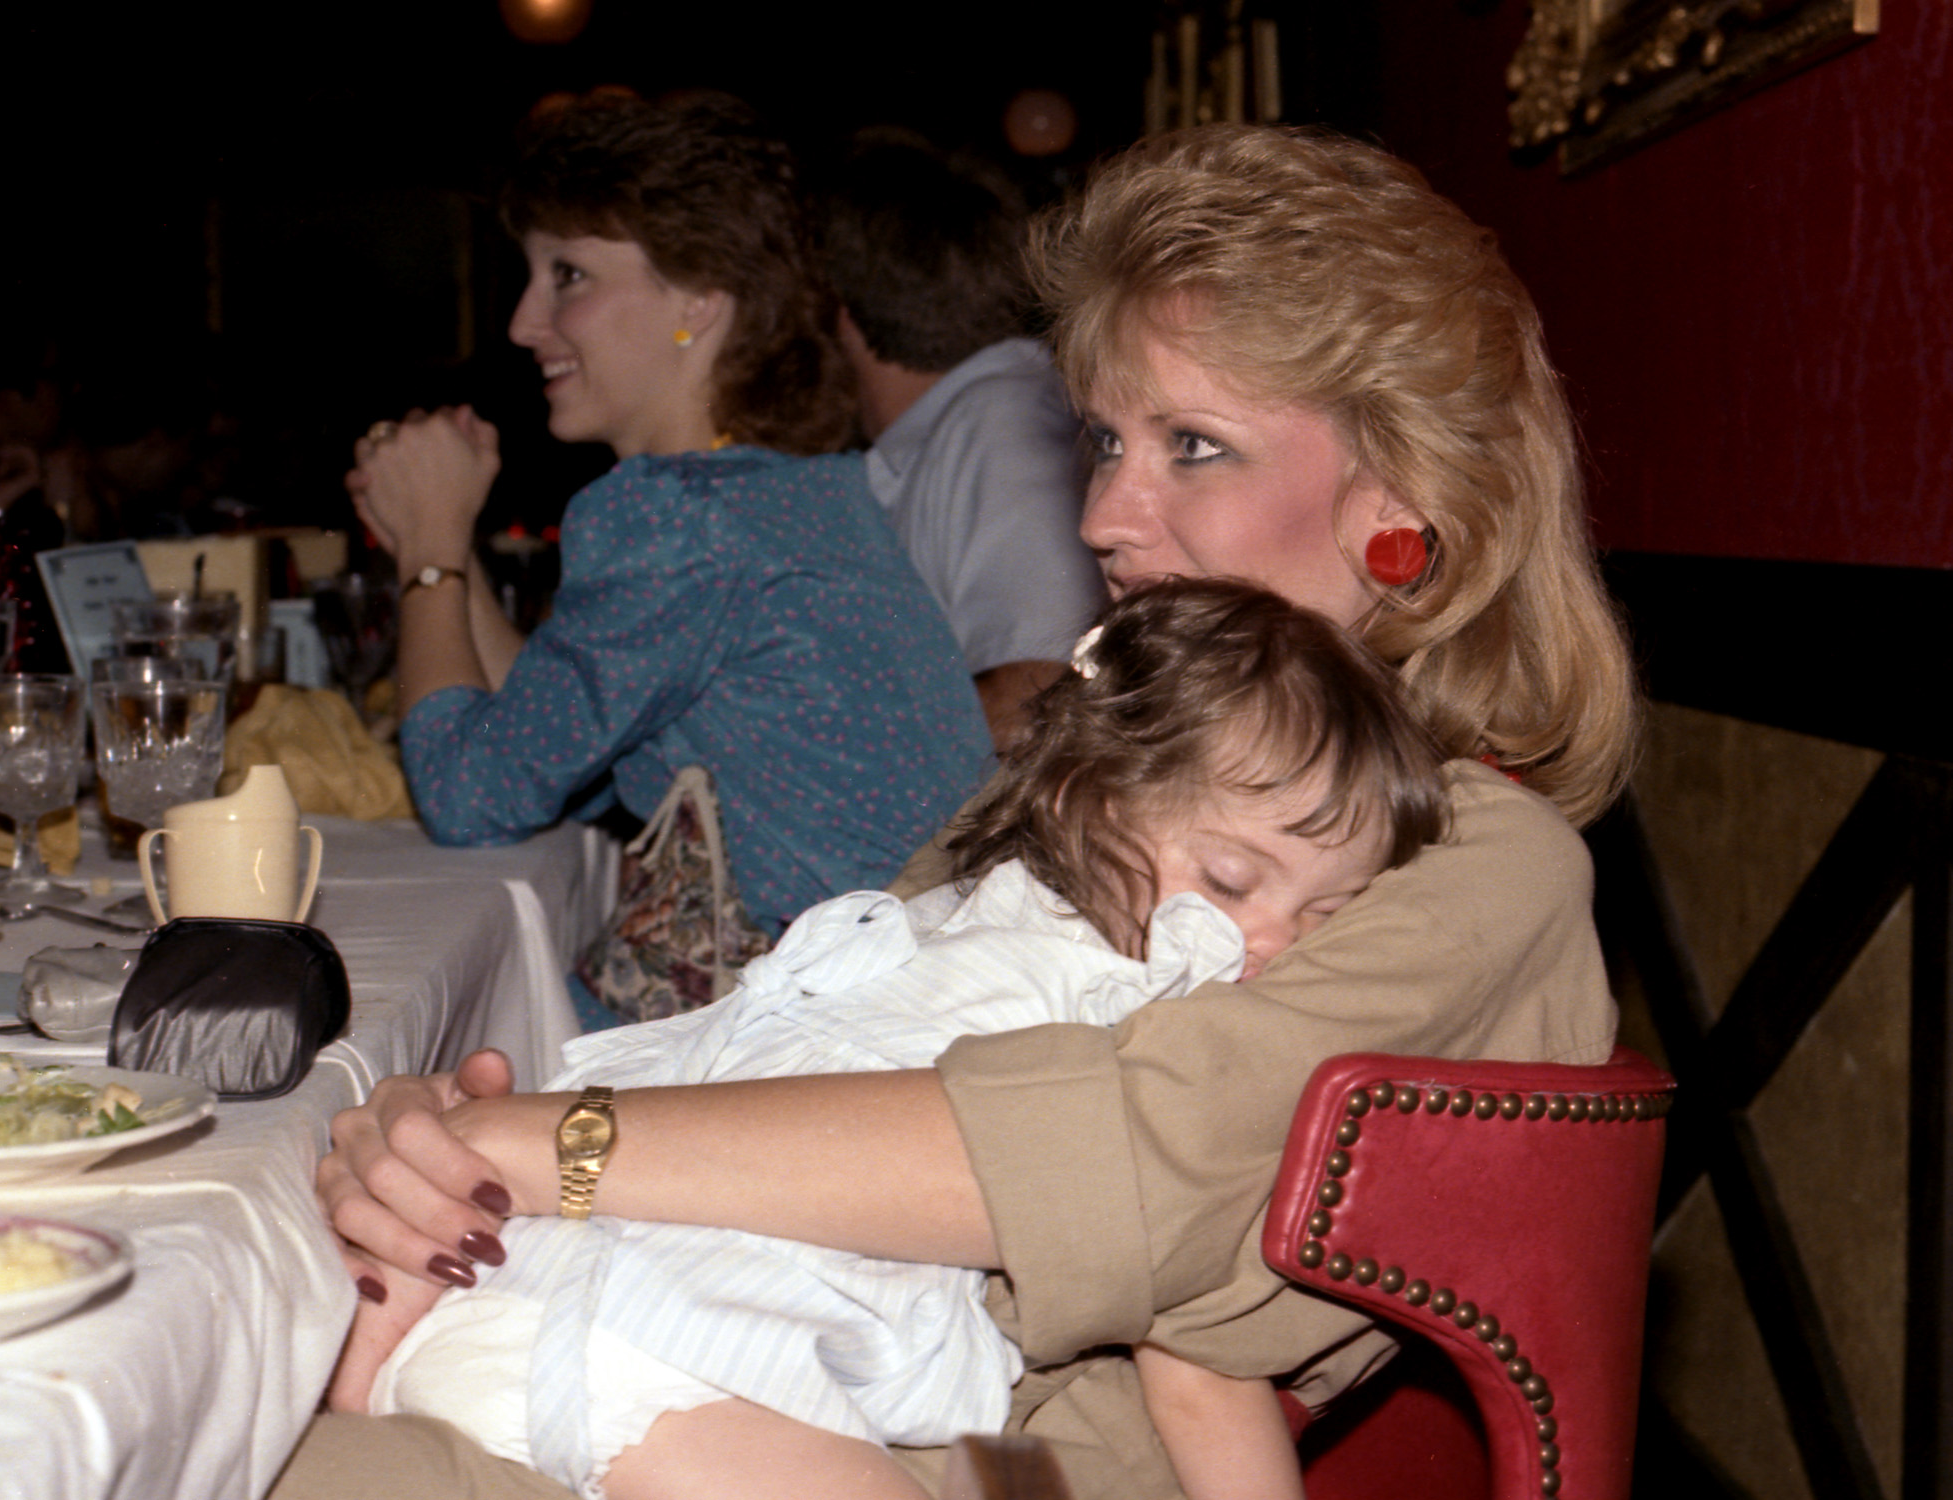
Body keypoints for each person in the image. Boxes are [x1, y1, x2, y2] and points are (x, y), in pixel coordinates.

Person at [288, 123, 1639, 1500]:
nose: (1106, 513)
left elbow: (1089, 1163)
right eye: (1105, 440)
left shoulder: (1474, 858)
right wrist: (444, 1161)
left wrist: (550, 1148)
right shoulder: (1116, 785)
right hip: (679, 1354)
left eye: (1195, 445)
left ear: (1404, 507)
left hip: (906, 1454)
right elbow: (814, 1043)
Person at [333, 580, 1449, 1500]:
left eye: (1325, 916)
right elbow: (1200, 1375)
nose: (1268, 941)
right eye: (1235, 882)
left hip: (535, 1314)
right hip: (667, 1362)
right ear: (1090, 804)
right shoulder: (1138, 996)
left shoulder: (946, 926)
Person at [348, 92, 990, 957]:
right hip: (917, 978)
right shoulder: (789, 493)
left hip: (840, 1012)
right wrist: (444, 538)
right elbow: (540, 735)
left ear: (698, 299)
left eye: (568, 276)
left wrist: (428, 553)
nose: (523, 324)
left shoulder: (682, 520)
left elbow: (469, 796)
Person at [818, 133, 1104, 749]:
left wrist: (812, 749)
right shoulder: (964, 429)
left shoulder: (1001, 423)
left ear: (839, 314)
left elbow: (1043, 690)